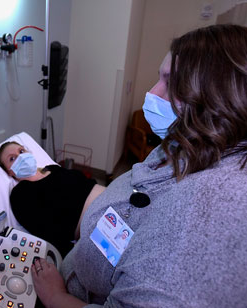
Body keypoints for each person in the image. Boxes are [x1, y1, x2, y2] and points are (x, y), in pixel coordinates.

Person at [30, 24, 247, 308]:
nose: (152, 93)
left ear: (217, 95)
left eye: (171, 83)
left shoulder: (212, 212)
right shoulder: (188, 145)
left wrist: (55, 296)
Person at [0, 142, 106, 256]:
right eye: (12, 158)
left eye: (21, 151)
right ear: (9, 172)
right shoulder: (20, 194)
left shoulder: (53, 168)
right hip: (101, 222)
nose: (21, 157)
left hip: (111, 196)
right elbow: (48, 233)